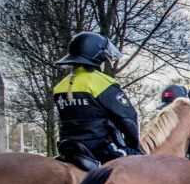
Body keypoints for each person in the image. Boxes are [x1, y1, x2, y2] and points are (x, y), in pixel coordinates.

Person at [53, 31, 141, 165]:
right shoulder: (103, 83)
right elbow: (128, 119)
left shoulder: (59, 87)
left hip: (68, 147)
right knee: (142, 162)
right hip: (99, 148)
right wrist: (134, 146)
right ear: (97, 58)